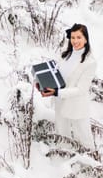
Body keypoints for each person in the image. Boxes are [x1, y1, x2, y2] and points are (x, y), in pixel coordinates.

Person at [36, 23, 97, 151]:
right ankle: (64, 158)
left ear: (86, 39)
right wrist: (43, 84)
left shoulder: (90, 62)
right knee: (62, 134)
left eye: (79, 37)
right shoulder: (65, 54)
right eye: (73, 37)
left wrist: (57, 92)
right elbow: (56, 75)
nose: (75, 41)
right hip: (60, 102)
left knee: (83, 136)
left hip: (77, 105)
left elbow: (81, 89)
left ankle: (91, 161)